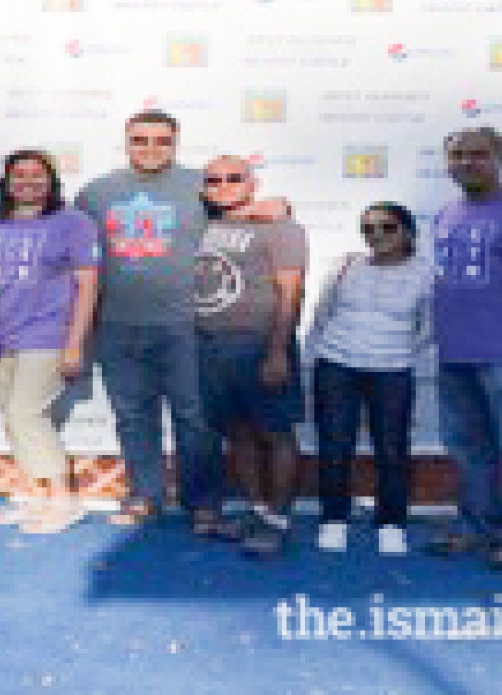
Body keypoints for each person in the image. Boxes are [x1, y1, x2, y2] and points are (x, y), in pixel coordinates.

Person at [74, 111, 224, 526]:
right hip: (116, 324)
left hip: (186, 325)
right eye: (141, 140)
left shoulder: (202, 186)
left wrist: (275, 208)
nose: (151, 148)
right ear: (126, 142)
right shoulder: (95, 193)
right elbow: (65, 241)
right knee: (132, 416)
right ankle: (145, 494)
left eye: (162, 140)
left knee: (194, 417)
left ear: (176, 143)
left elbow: (246, 212)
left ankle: (203, 502)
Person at [0, 150, 100, 534]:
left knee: (28, 414)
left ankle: (64, 499)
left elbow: (88, 284)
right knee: (13, 418)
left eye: (37, 175)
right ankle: (33, 494)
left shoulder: (74, 223)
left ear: (52, 181)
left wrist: (75, 343)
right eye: (19, 174)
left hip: (48, 334)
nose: (28, 182)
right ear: (6, 181)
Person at [193, 156, 307, 557]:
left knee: (276, 433)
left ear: (252, 182)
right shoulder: (205, 223)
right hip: (211, 347)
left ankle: (277, 520)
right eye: (214, 180)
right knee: (238, 433)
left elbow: (290, 292)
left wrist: (277, 350)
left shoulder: (281, 228)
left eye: (234, 178)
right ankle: (256, 511)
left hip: (259, 345)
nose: (223, 185)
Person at [306, 202, 432, 557]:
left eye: (387, 227)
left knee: (392, 449)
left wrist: (396, 352)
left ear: (408, 231)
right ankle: (334, 519)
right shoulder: (346, 265)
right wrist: (325, 352)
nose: (377, 235)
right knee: (334, 445)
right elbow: (322, 313)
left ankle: (391, 522)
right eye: (369, 229)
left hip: (392, 369)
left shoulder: (426, 274)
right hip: (337, 365)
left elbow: (428, 329)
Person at [428, 127, 502, 569]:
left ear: (496, 158)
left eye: (478, 154)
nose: (466, 163)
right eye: (457, 155)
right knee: (469, 447)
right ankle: (478, 528)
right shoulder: (447, 213)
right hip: (454, 350)